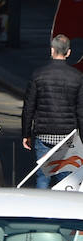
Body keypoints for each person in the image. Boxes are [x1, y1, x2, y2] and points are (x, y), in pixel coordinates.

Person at [21, 35, 83, 188]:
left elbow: (29, 107)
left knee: (43, 177)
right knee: (66, 179)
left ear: (52, 50)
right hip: (67, 136)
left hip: (43, 134)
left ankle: (41, 210)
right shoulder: (77, 77)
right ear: (68, 52)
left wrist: (26, 133)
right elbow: (81, 111)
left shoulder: (38, 75)